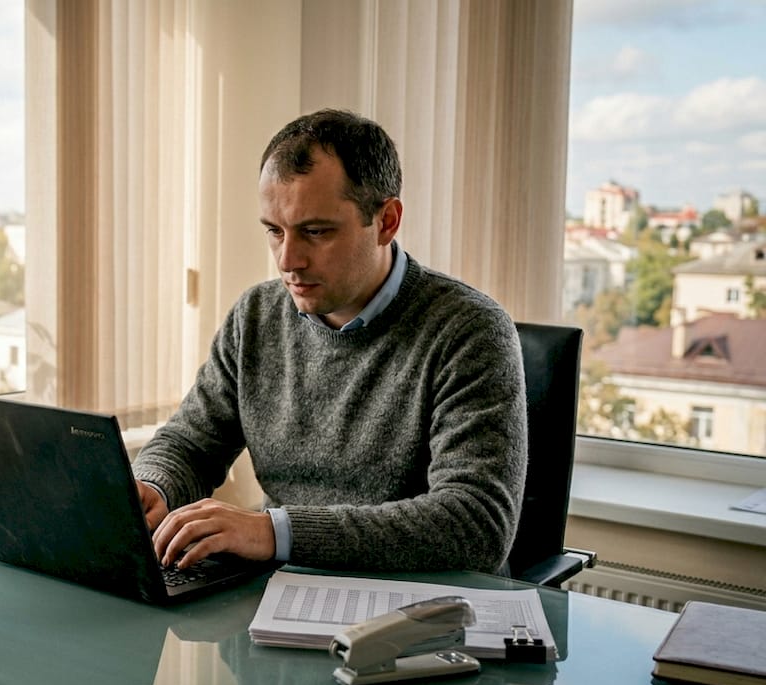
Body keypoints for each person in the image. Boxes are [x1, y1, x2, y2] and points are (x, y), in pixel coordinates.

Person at [132, 108, 527, 575]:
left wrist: (273, 533)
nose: (288, 260)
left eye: (315, 232)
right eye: (274, 231)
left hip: (418, 606)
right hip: (282, 588)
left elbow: (476, 523)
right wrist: (152, 487)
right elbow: (191, 443)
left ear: (386, 221)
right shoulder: (256, 315)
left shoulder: (470, 330)